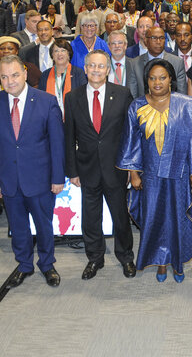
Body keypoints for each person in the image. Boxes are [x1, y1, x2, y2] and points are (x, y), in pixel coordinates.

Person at [117, 59, 192, 283]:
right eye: (152, 78)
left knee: (177, 217)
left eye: (163, 77)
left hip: (180, 172)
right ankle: (161, 262)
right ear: (146, 81)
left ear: (171, 80)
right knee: (154, 218)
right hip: (150, 175)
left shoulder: (186, 104)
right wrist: (134, 174)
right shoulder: (136, 106)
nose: (158, 82)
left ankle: (177, 262)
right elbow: (131, 143)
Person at [0, 55, 65, 288]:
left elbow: (57, 144)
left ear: (25, 74)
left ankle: (47, 264)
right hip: (8, 179)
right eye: (4, 77)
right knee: (18, 227)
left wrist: (58, 177)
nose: (10, 81)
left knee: (44, 226)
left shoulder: (47, 101)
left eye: (15, 75)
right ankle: (24, 265)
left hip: (39, 179)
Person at [64, 50, 136, 280]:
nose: (96, 70)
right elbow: (69, 137)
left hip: (115, 169)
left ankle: (126, 257)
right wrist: (72, 170)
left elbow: (131, 134)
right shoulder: (72, 97)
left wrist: (129, 167)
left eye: (101, 66)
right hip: (87, 169)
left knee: (120, 217)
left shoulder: (123, 94)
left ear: (108, 70)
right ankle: (95, 258)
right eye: (92, 66)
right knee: (90, 217)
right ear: (85, 69)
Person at [128, 26, 187, 98]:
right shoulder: (134, 64)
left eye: (161, 38)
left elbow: (182, 95)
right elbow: (132, 96)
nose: (158, 42)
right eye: (154, 38)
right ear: (146, 41)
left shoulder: (177, 62)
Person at [39, 38, 87, 115]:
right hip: (51, 117)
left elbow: (83, 98)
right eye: (56, 51)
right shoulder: (45, 75)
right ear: (52, 55)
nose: (59, 54)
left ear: (69, 54)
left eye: (63, 50)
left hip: (73, 117)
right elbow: (41, 100)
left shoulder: (78, 73)